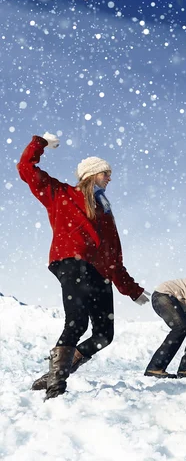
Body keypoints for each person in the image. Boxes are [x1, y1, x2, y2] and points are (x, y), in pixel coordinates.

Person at [18, 133, 149, 400]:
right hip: (71, 262)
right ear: (91, 175)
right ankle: (56, 387)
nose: (110, 178)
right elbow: (26, 169)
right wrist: (40, 143)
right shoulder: (61, 193)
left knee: (104, 334)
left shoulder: (105, 211)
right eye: (105, 173)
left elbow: (113, 257)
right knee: (77, 321)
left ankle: (57, 370)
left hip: (99, 273)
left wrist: (132, 289)